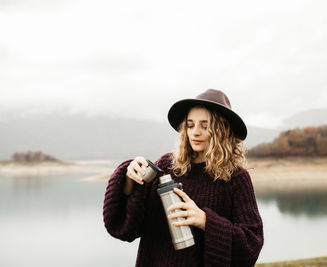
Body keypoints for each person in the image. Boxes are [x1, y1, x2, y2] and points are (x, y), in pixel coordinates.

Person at [103, 89, 264, 267]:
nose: (195, 132)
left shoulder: (236, 178)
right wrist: (128, 178)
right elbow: (126, 229)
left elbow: (252, 243)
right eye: (190, 125)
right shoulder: (166, 166)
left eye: (205, 126)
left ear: (221, 129)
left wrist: (206, 221)